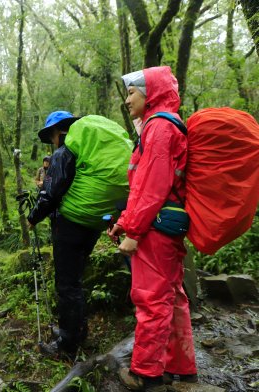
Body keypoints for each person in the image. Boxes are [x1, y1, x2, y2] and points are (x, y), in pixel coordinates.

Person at [108, 66, 197, 392]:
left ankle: (146, 374)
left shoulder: (158, 128)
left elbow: (152, 187)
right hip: (163, 224)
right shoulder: (160, 126)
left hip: (155, 229)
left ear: (151, 93)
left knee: (151, 299)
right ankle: (181, 369)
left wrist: (134, 233)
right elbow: (144, 186)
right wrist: (124, 222)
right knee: (172, 297)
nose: (127, 99)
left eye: (132, 92)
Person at [27, 110, 131, 356]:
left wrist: (33, 218)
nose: (51, 142)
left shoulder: (64, 152)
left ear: (55, 132)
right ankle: (77, 329)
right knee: (75, 280)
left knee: (67, 284)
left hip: (71, 223)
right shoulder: (88, 150)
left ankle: (68, 343)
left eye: (51, 136)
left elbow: (51, 193)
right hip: (93, 223)